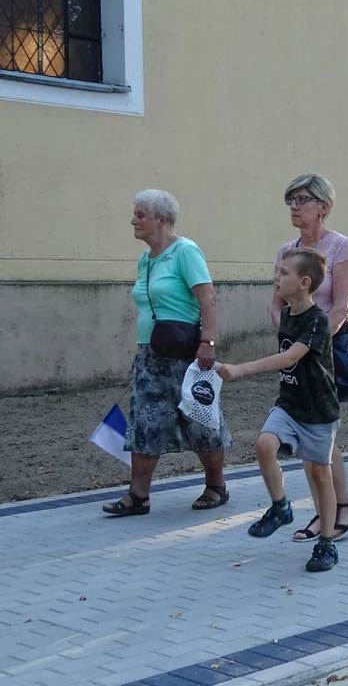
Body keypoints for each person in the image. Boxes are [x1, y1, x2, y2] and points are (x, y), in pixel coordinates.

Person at [103, 190, 231, 517]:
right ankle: (138, 496)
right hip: (150, 354)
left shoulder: (185, 252)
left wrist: (208, 343)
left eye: (140, 214)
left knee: (200, 418)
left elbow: (208, 299)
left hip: (188, 353)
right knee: (144, 422)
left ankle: (216, 485)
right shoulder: (145, 259)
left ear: (161, 220)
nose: (134, 220)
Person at [218, 249, 340, 572]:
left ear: (304, 282)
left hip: (318, 411)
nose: (276, 277)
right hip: (289, 404)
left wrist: (240, 370)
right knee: (263, 445)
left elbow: (289, 359)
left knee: (319, 475)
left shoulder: (317, 321)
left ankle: (326, 543)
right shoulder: (286, 314)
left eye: (284, 273)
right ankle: (281, 508)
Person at [271, 173, 348, 541]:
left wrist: (311, 341)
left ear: (324, 207)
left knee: (317, 436)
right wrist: (288, 338)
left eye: (303, 199)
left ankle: (335, 509)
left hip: (326, 353)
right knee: (317, 438)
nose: (295, 206)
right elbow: (276, 304)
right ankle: (336, 506)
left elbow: (343, 304)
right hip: (295, 356)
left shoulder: (341, 247)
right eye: (291, 199)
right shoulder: (286, 251)